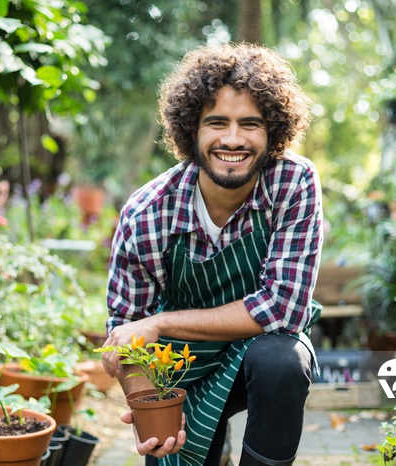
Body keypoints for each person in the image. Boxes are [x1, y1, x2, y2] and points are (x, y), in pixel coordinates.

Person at [102, 42, 323, 466]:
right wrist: (146, 404)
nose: (233, 140)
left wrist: (162, 321)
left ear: (273, 132)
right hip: (180, 366)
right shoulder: (147, 213)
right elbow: (126, 330)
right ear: (191, 130)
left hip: (260, 350)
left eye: (251, 124)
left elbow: (283, 309)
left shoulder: (292, 184)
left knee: (283, 360)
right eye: (217, 122)